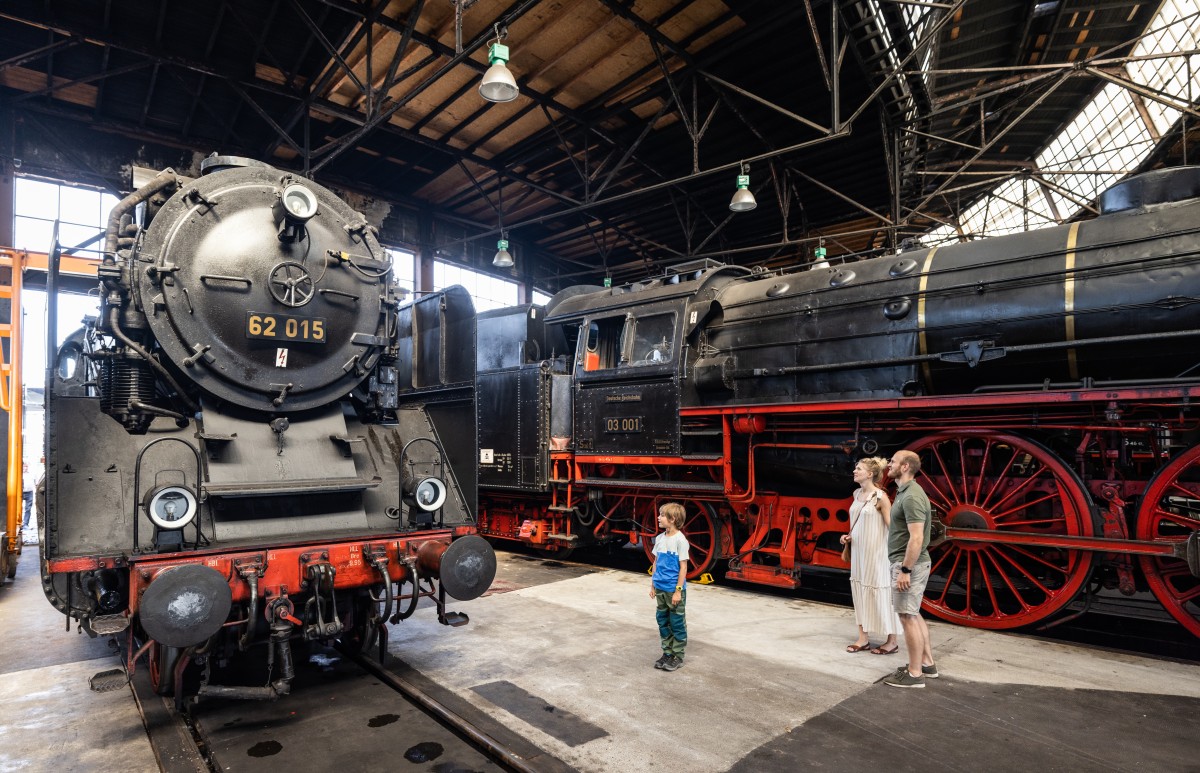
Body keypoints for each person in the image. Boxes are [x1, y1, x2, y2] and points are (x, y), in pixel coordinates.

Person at [882, 449, 938, 688]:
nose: (888, 465)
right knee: (913, 613)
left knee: (906, 616)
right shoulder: (906, 492)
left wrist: (905, 569)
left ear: (905, 466)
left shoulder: (912, 496)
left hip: (909, 565)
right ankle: (927, 663)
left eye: (893, 462)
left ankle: (915, 674)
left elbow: (916, 538)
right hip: (909, 563)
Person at [839, 457, 901, 655]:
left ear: (870, 474)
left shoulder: (880, 497)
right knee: (859, 590)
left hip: (877, 552)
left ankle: (892, 641)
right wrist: (847, 537)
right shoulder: (856, 493)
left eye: (859, 468)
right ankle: (863, 638)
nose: (855, 471)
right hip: (858, 552)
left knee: (882, 591)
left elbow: (891, 526)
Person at [648, 501, 690, 672]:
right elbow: (656, 562)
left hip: (674, 590)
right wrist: (652, 585)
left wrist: (678, 591)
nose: (658, 518)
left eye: (662, 515)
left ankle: (677, 656)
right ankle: (667, 652)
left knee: (677, 622)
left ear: (672, 519)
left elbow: (684, 567)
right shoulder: (659, 539)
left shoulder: (681, 540)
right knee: (663, 621)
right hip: (660, 588)